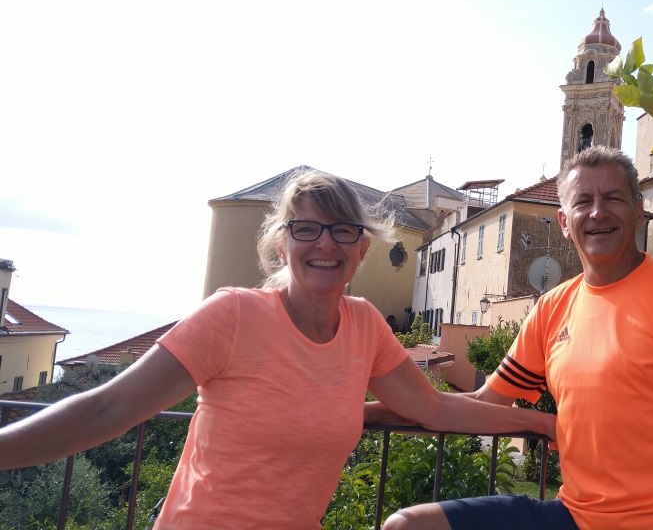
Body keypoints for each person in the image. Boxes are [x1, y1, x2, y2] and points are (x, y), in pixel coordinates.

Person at [0, 169, 556, 529]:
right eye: (306, 229)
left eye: (341, 231)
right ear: (282, 244)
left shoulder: (364, 326)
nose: (324, 243)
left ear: (361, 250)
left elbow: (434, 407)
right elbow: (107, 407)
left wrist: (543, 425)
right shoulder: (233, 315)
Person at [382, 146, 653, 530]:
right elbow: (481, 404)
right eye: (583, 202)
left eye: (613, 198)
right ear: (564, 221)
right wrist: (358, 410)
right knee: (407, 526)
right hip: (573, 517)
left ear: (638, 210)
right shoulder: (551, 308)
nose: (598, 212)